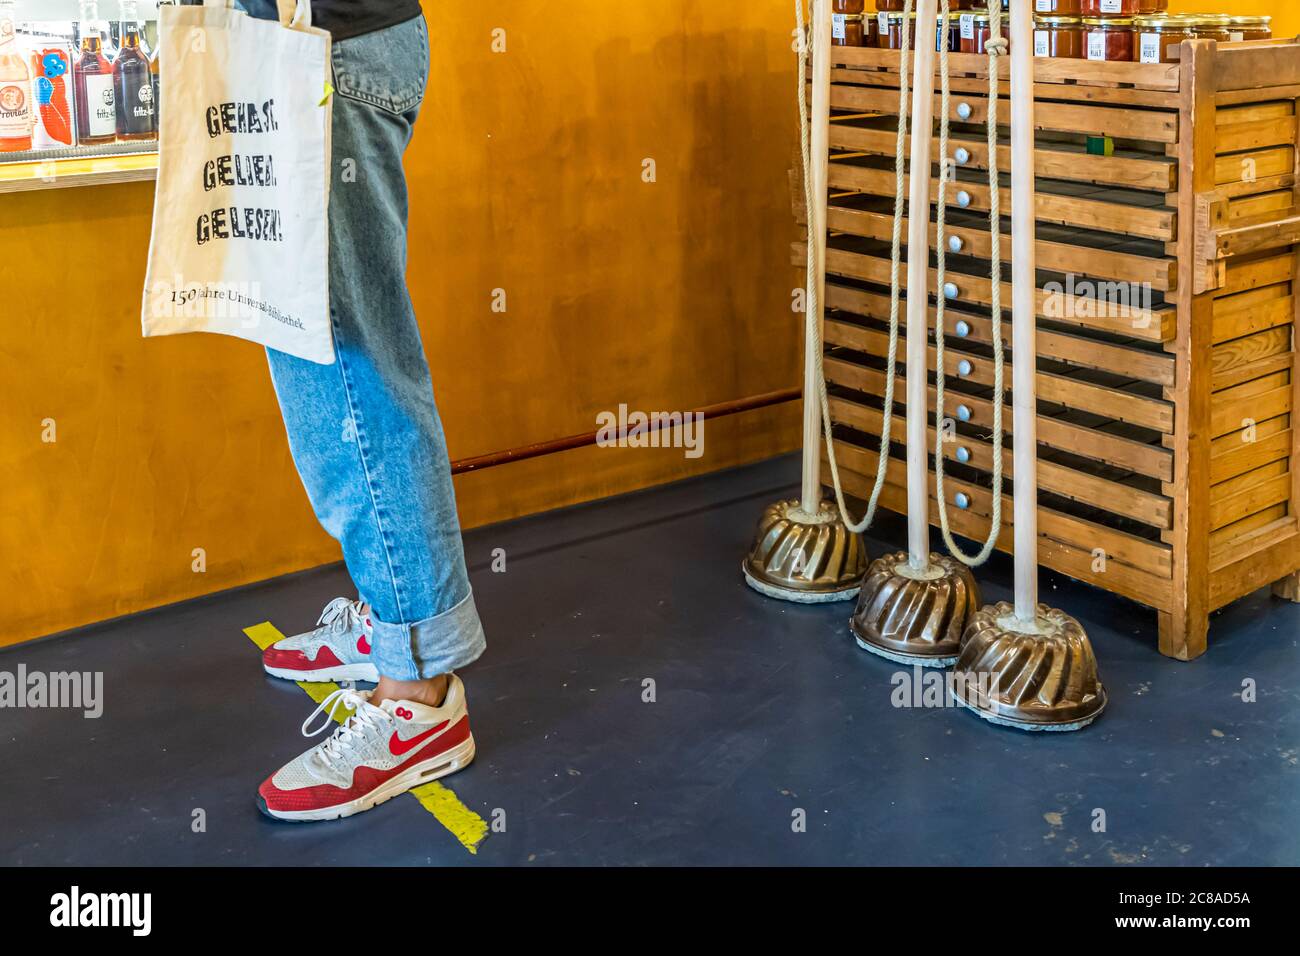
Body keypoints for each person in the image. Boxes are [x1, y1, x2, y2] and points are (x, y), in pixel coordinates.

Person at [233, 0, 486, 822]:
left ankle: (416, 691)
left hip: (329, 50)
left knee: (354, 365)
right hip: (314, 47)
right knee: (321, 353)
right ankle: (389, 621)